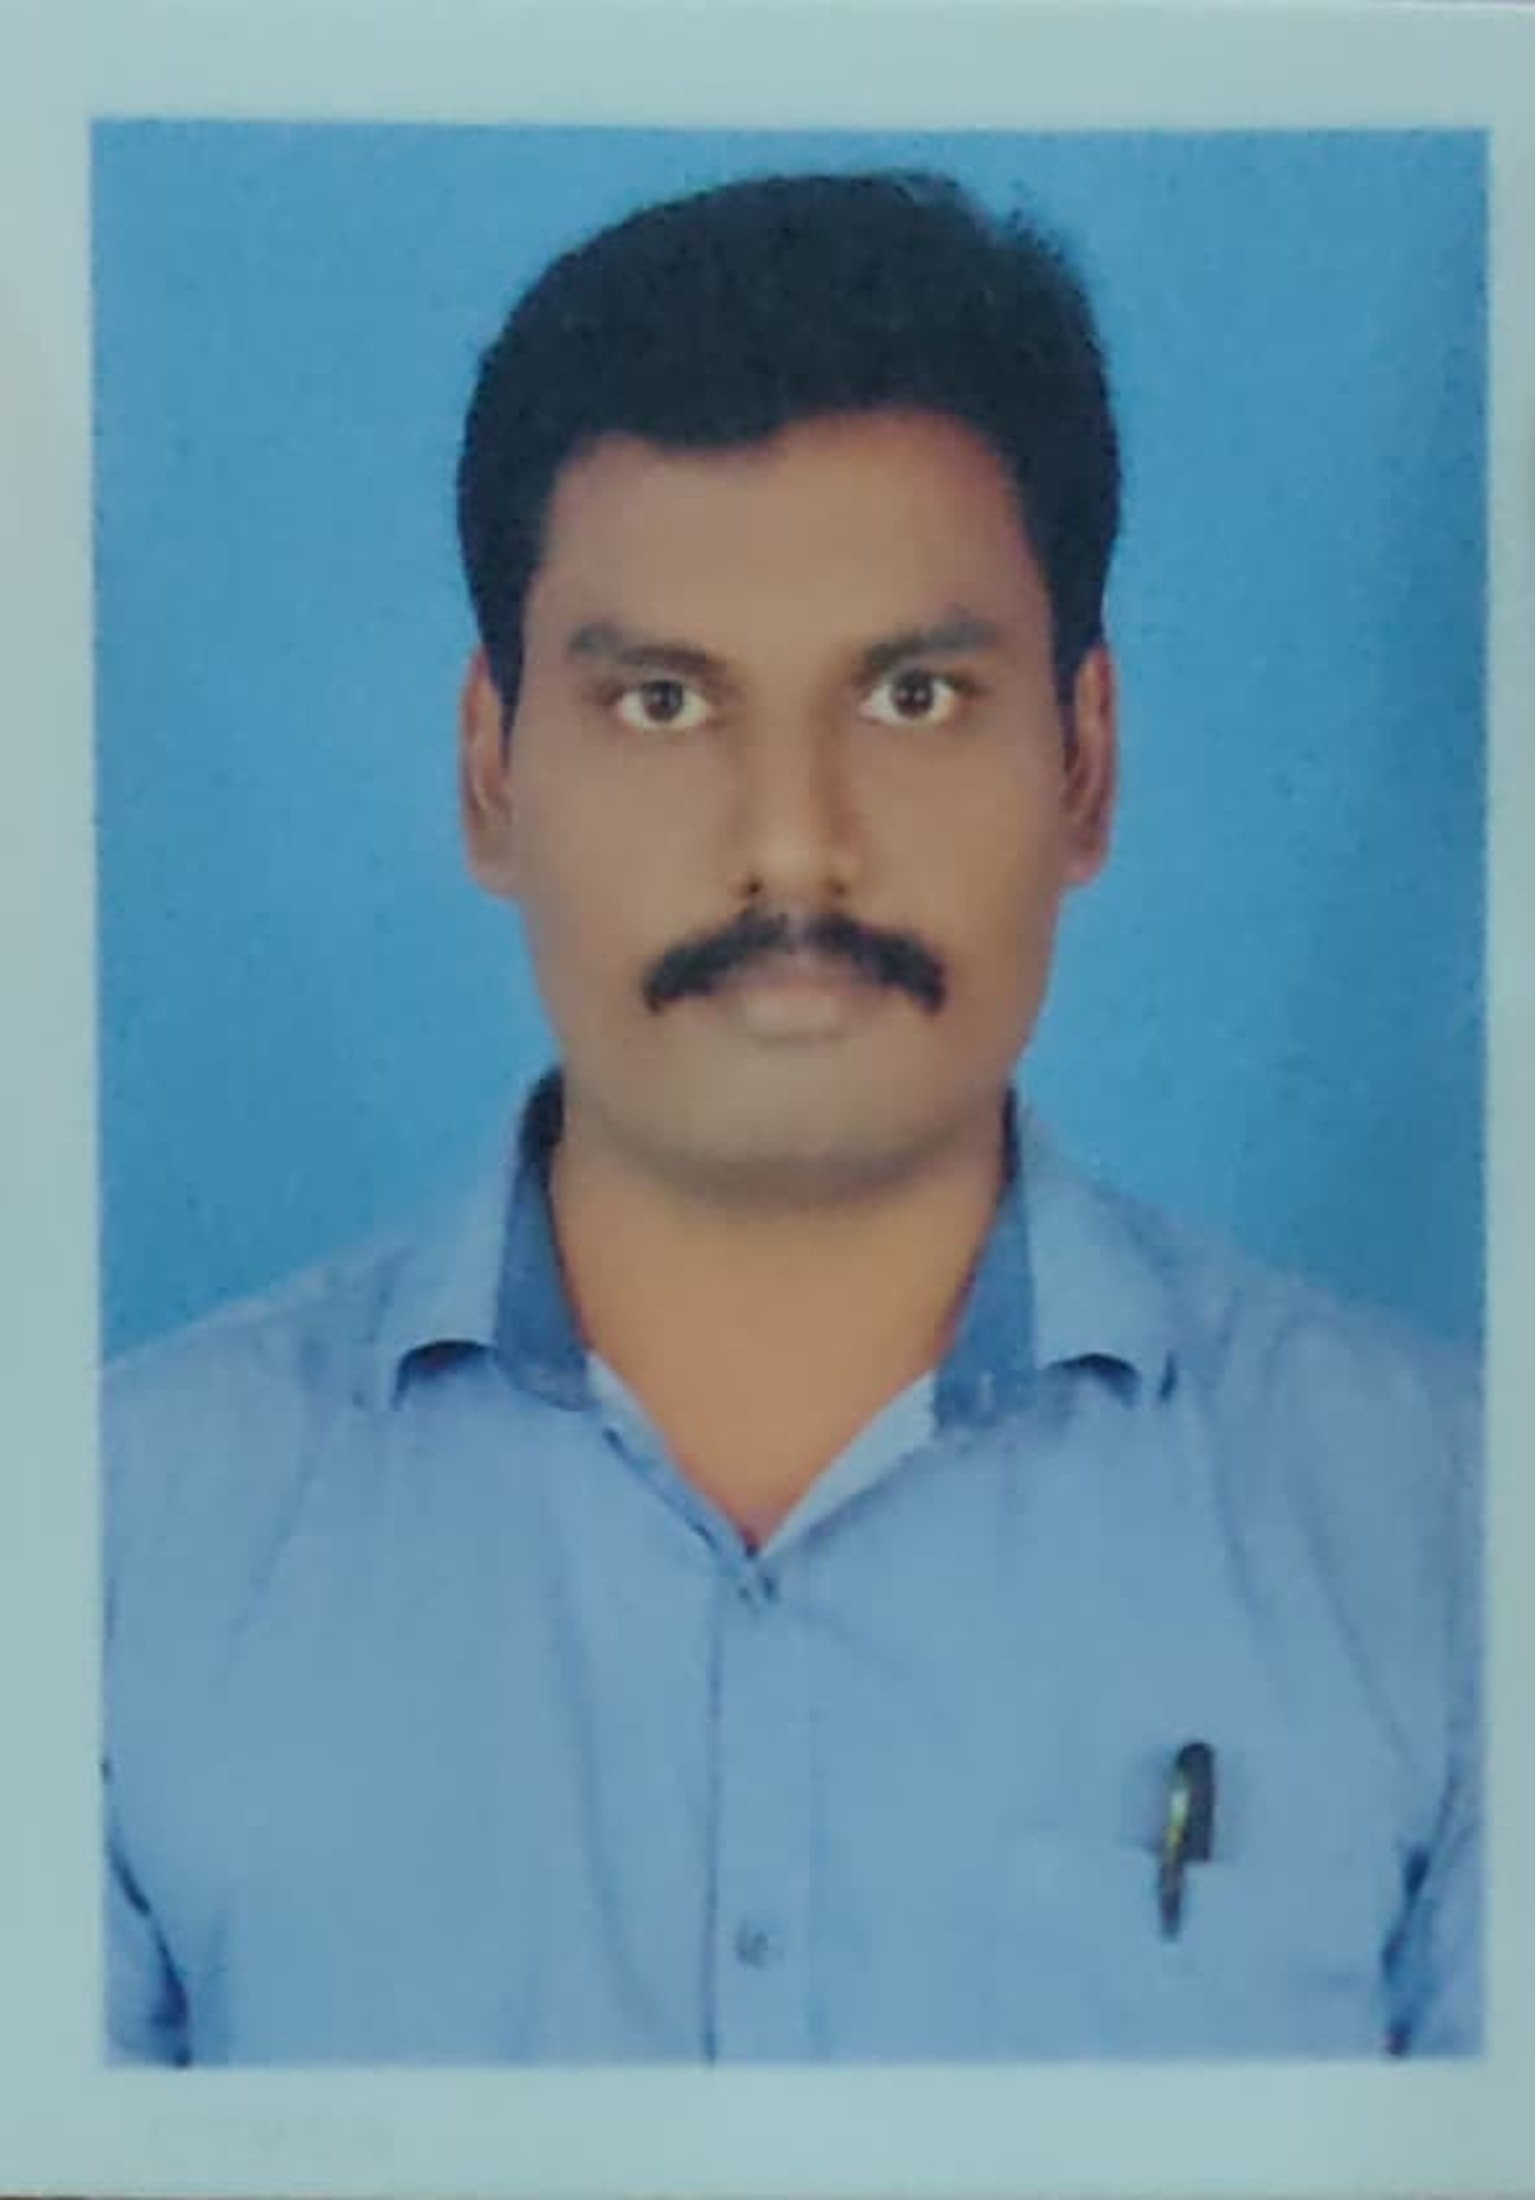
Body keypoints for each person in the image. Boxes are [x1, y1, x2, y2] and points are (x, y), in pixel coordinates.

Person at [103, 168, 1480, 2068]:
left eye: (912, 695)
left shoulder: (1453, 1537)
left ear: (1084, 764)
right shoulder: (104, 1549)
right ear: (490, 774)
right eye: (664, 705)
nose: (793, 846)